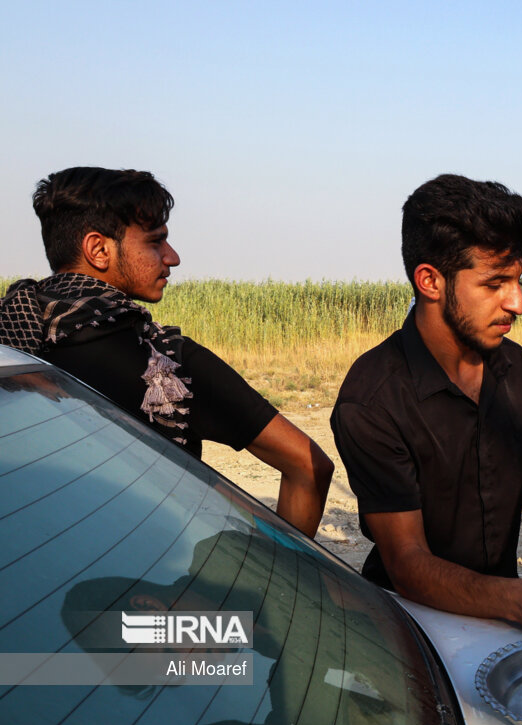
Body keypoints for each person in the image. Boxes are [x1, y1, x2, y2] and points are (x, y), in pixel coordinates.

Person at [330, 174, 522, 636]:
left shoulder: (513, 365)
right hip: (411, 626)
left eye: (518, 281)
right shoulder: (372, 400)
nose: (518, 304)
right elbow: (407, 562)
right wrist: (519, 600)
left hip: (503, 611)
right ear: (430, 280)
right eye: (495, 284)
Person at [0, 167, 333, 537]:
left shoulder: (13, 338)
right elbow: (308, 464)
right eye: (155, 242)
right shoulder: (165, 362)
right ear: (98, 250)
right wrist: (279, 578)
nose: (172, 257)